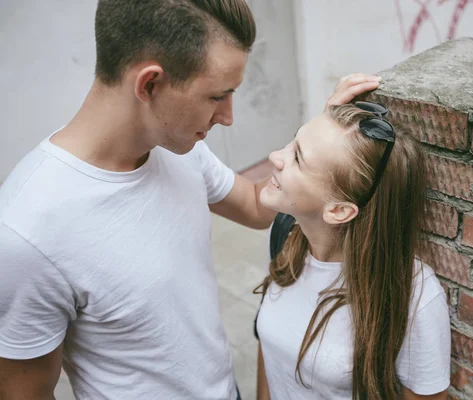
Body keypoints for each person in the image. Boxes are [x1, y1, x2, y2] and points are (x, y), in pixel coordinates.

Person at [0, 0, 381, 398]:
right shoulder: (27, 233)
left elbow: (256, 206)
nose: (228, 116)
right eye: (218, 96)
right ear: (150, 84)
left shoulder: (177, 145)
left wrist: (321, 144)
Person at [255, 101, 451, 399]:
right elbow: (269, 350)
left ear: (338, 210)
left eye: (297, 157)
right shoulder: (286, 234)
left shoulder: (416, 296)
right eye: (293, 141)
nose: (275, 156)